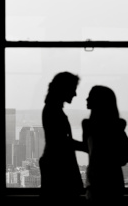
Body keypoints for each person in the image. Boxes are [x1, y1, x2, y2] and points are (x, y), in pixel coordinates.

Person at [39, 72, 87, 204]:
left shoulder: (51, 109)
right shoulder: (53, 111)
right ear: (63, 89)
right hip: (58, 169)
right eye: (73, 89)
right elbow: (61, 142)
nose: (75, 94)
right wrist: (86, 146)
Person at [82, 85, 128, 203]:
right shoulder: (117, 126)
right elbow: (126, 157)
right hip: (113, 179)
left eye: (90, 96)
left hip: (96, 179)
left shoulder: (88, 125)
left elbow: (88, 149)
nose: (86, 99)